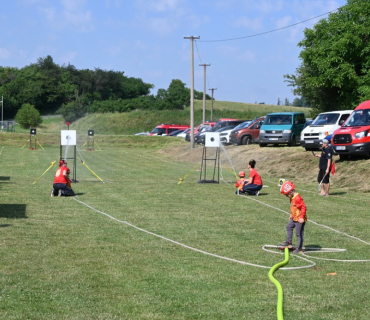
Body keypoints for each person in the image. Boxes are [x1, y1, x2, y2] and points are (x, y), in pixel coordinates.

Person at [280, 181, 307, 254]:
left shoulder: (297, 198)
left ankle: (299, 249)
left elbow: (303, 208)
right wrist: (291, 215)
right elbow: (294, 207)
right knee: (289, 226)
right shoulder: (292, 197)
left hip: (299, 219)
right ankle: (289, 242)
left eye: (286, 195)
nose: (286, 196)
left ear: (291, 192)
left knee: (299, 234)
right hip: (294, 218)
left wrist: (301, 217)